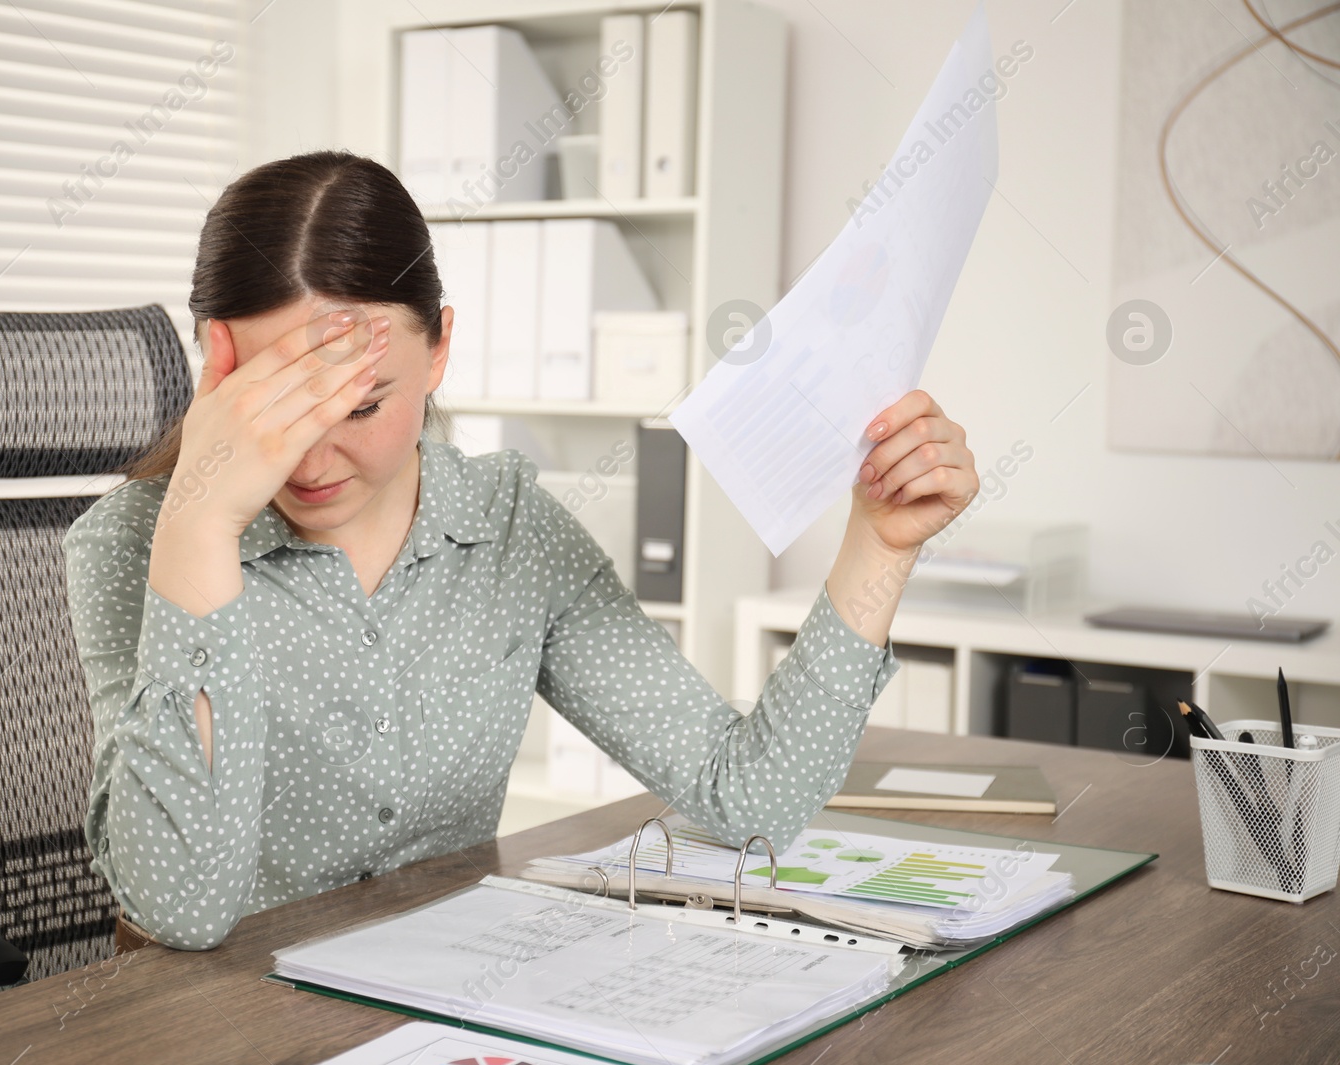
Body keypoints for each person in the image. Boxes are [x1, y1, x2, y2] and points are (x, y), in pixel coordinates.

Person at [62, 149, 980, 951]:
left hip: (440, 1003)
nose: (310, 454)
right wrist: (200, 525)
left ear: (440, 350)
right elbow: (180, 912)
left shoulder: (508, 529)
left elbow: (750, 797)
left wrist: (880, 544)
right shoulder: (137, 544)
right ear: (215, 371)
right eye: (275, 404)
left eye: (360, 403)